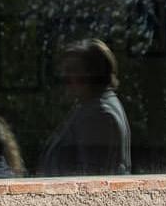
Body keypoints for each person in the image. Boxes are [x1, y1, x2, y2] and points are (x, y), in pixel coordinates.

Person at [38, 39, 131, 176]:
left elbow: (91, 178)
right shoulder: (89, 107)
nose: (65, 78)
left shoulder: (99, 115)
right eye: (65, 71)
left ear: (93, 74)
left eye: (72, 70)